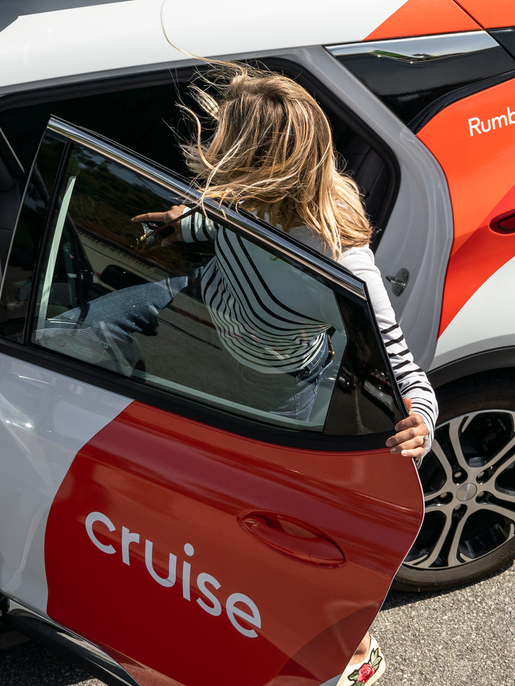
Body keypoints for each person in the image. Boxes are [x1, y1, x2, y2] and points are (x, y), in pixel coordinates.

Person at [132, 64, 432, 685]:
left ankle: (351, 655)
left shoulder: (337, 256)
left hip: (276, 389)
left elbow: (402, 363)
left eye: (228, 137)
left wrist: (420, 421)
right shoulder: (245, 196)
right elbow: (221, 215)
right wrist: (180, 223)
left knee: (281, 546)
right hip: (202, 325)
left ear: (260, 161)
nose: (214, 146)